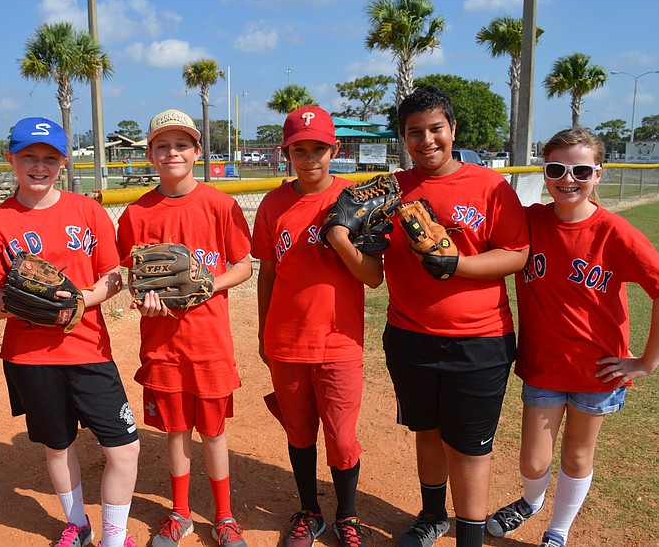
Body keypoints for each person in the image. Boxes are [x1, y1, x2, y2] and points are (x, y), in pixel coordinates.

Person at [485, 127, 659, 547]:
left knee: (578, 455)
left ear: (598, 174)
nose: (569, 178)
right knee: (533, 460)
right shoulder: (530, 221)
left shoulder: (613, 231)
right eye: (557, 168)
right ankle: (530, 501)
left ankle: (557, 530)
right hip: (544, 365)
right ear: (544, 172)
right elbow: (480, 215)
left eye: (581, 169)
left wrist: (647, 361)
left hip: (597, 370)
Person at [0, 117, 139, 547]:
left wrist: (79, 300)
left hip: (90, 349)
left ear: (63, 162)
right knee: (58, 445)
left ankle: (114, 536)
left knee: (124, 448)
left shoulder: (87, 211)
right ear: (12, 159)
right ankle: (78, 525)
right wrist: (23, 301)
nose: (39, 165)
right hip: (31, 357)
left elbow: (113, 276)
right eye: (29, 156)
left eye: (50, 157)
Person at [380, 85, 529, 547]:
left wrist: (457, 265)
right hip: (409, 336)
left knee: (468, 448)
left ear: (452, 129)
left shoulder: (489, 185)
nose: (426, 141)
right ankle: (431, 516)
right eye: (414, 132)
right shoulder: (392, 190)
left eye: (435, 129)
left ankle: (469, 538)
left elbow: (517, 253)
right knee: (426, 431)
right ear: (403, 138)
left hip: (478, 341)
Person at [116, 109, 252, 547]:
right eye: (162, 145)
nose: (171, 152)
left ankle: (225, 517)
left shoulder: (220, 205)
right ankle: (180, 513)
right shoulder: (136, 214)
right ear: (151, 155)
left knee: (213, 431)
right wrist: (143, 301)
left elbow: (244, 265)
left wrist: (211, 283)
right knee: (177, 431)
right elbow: (132, 278)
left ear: (196, 151)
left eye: (181, 144)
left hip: (209, 342)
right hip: (162, 344)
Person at [252, 106, 384, 547]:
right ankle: (310, 512)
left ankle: (347, 515)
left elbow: (372, 275)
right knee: (299, 431)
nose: (310, 158)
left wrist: (339, 236)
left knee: (342, 438)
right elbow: (267, 274)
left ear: (336, 149)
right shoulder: (273, 204)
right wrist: (261, 332)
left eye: (319, 149)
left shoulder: (357, 198)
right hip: (286, 341)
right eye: (300, 150)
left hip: (338, 341)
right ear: (286, 152)